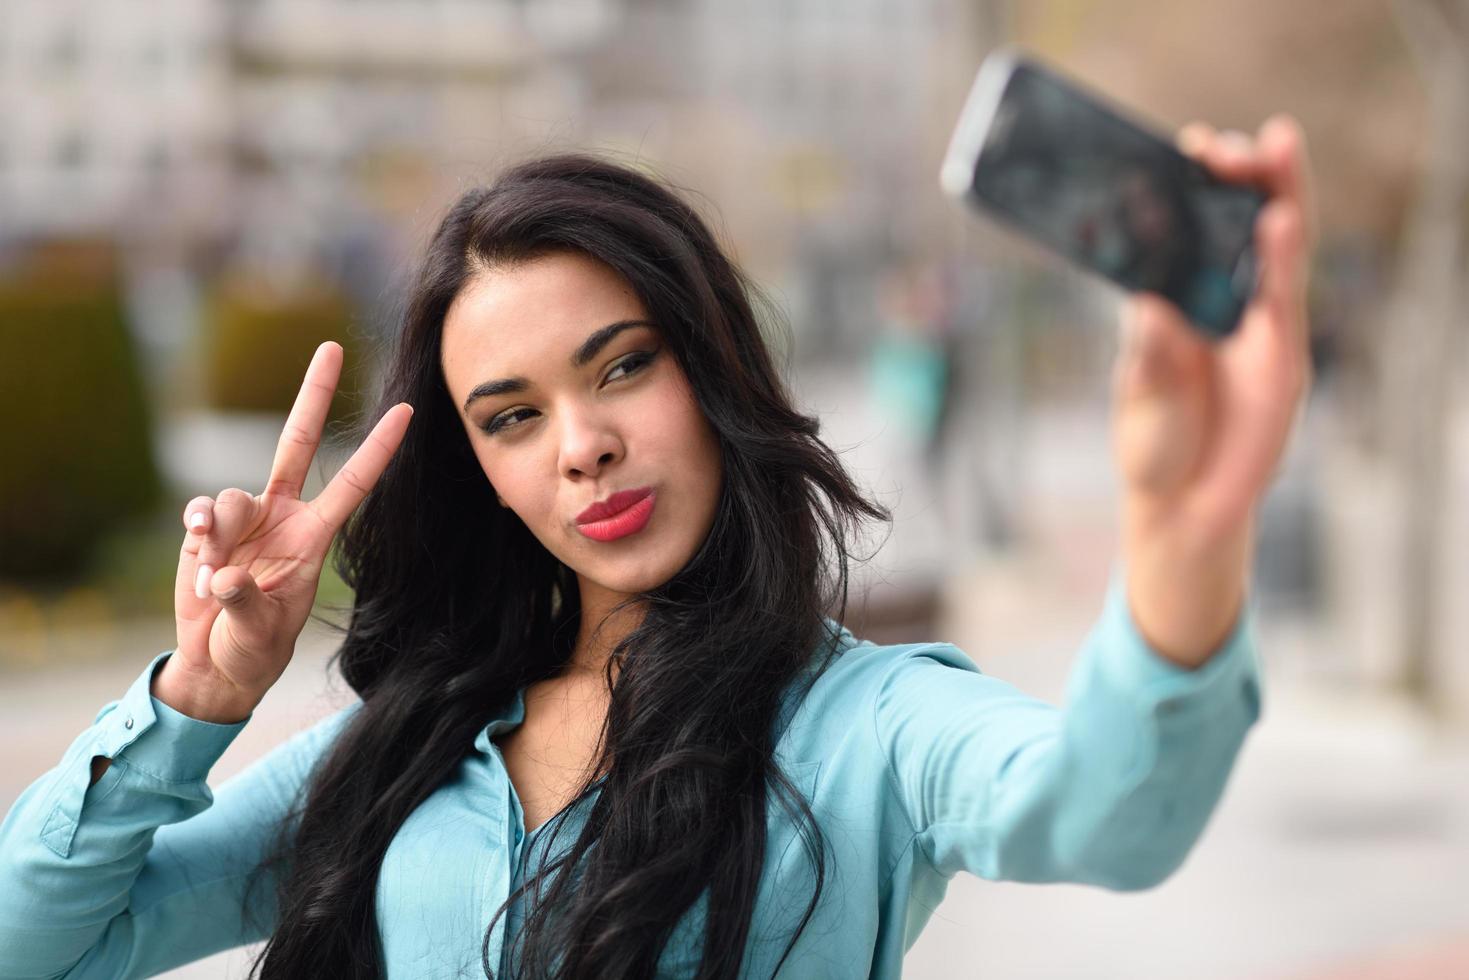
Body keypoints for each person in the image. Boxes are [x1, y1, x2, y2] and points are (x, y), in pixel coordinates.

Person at [0, 115, 1313, 979]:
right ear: (483, 478)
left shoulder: (871, 727)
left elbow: (1105, 817)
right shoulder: (402, 750)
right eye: (511, 418)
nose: (581, 445)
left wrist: (1186, 535)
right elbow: (39, 940)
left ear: (713, 367)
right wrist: (194, 705)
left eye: (620, 366)